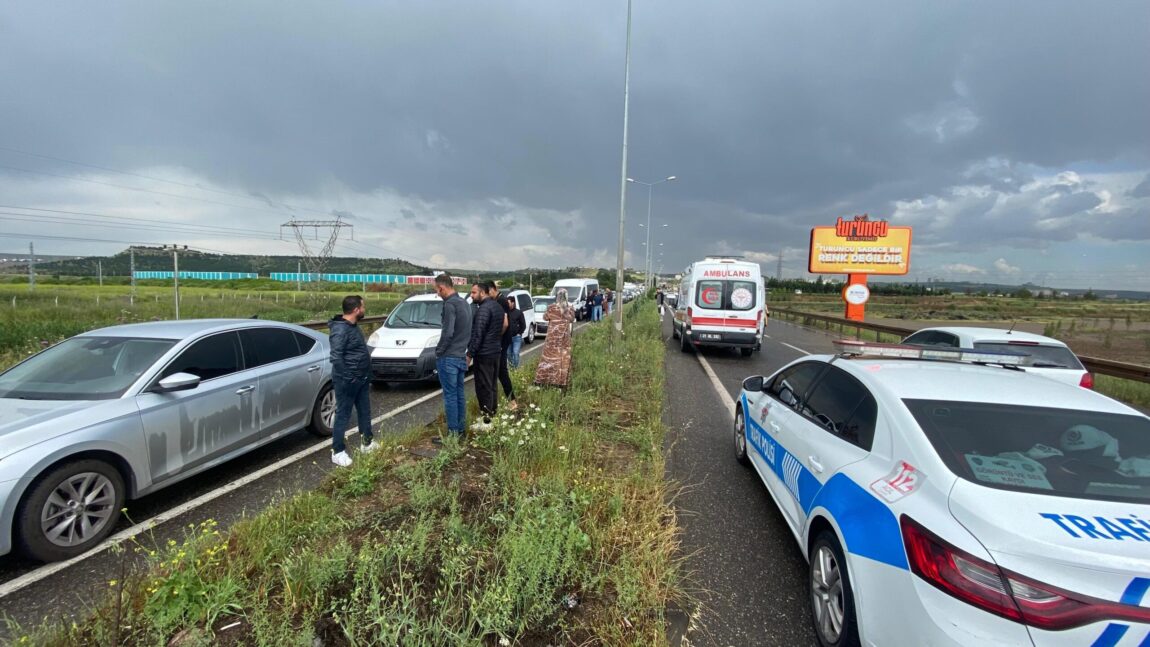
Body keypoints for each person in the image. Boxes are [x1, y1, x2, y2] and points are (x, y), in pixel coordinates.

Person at [328, 295, 377, 467]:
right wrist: (350, 377)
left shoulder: (352, 326)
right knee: (343, 415)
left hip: (361, 378)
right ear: (356, 309)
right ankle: (337, 451)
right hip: (347, 381)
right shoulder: (340, 330)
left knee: (365, 411)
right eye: (363, 307)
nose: (364, 310)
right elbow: (336, 357)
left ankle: (367, 442)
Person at [434, 273, 471, 442]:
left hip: (448, 357)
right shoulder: (464, 303)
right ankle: (461, 430)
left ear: (442, 287)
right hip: (461, 355)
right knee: (459, 394)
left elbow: (447, 333)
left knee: (450, 396)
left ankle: (452, 434)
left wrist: (439, 351)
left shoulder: (449, 305)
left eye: (437, 290)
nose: (437, 294)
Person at [468, 281, 503, 431]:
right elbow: (503, 327)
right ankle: (492, 417)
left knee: (483, 387)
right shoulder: (497, 306)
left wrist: (470, 354)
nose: (471, 295)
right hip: (495, 351)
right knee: (492, 385)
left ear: (482, 293)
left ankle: (486, 421)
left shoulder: (483, 309)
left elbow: (478, 334)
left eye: (474, 293)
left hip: (484, 354)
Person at [534, 288, 576, 388]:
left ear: (557, 296)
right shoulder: (570, 307)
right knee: (562, 358)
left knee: (549, 358)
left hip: (552, 338)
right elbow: (572, 319)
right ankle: (561, 382)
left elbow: (545, 317)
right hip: (564, 338)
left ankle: (545, 379)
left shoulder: (551, 307)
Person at [493, 291, 519, 411]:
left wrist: (497, 337)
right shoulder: (500, 300)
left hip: (501, 343)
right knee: (500, 373)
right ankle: (511, 401)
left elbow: (505, 323)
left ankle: (512, 402)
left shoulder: (501, 301)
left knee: (501, 372)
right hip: (502, 342)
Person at [506, 293, 527, 369]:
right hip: (507, 338)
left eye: (508, 303)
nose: (507, 304)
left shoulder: (519, 312)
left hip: (516, 338)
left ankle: (515, 369)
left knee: (515, 353)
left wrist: (519, 333)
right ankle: (512, 368)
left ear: (513, 303)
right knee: (508, 354)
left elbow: (523, 325)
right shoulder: (505, 312)